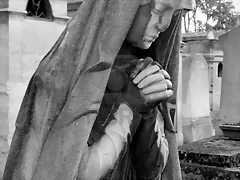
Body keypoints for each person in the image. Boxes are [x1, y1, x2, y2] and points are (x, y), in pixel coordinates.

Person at [3, 0, 183, 179]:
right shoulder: (58, 76)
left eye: (173, 15)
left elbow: (152, 170)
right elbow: (70, 171)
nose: (164, 24)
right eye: (159, 10)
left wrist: (149, 114)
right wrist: (129, 109)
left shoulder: (144, 71)